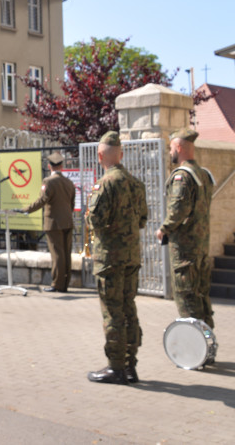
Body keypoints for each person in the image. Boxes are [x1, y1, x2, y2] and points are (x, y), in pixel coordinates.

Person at [84, 131, 147, 385]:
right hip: (131, 257)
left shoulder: (106, 183)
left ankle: (116, 367)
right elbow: (142, 220)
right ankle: (131, 366)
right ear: (120, 154)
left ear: (100, 156)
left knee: (113, 312)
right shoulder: (135, 183)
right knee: (129, 308)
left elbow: (95, 220)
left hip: (110, 259)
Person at [156, 128, 215, 331]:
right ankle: (207, 342)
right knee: (201, 296)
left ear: (179, 147)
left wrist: (164, 229)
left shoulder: (182, 176)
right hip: (201, 247)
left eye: (171, 148)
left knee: (187, 298)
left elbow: (178, 210)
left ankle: (195, 347)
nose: (170, 152)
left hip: (185, 250)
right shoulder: (204, 174)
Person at [24, 152, 77, 293]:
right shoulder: (69, 182)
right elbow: (71, 204)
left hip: (53, 223)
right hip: (67, 221)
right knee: (66, 253)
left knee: (57, 254)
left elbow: (42, 200)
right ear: (62, 166)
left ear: (49, 166)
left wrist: (26, 210)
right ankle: (65, 283)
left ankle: (57, 284)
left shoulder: (48, 182)